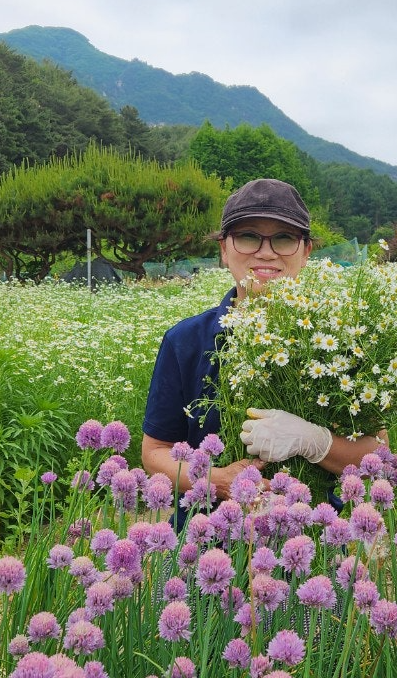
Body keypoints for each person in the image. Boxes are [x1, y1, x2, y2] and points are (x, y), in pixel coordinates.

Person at [140, 179, 381, 520]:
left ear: (306, 251)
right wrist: (215, 480)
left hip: (318, 541)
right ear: (224, 249)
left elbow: (377, 452)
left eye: (284, 238)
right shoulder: (186, 340)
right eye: (248, 236)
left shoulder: (345, 339)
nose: (266, 252)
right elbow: (155, 452)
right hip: (207, 544)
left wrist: (317, 442)